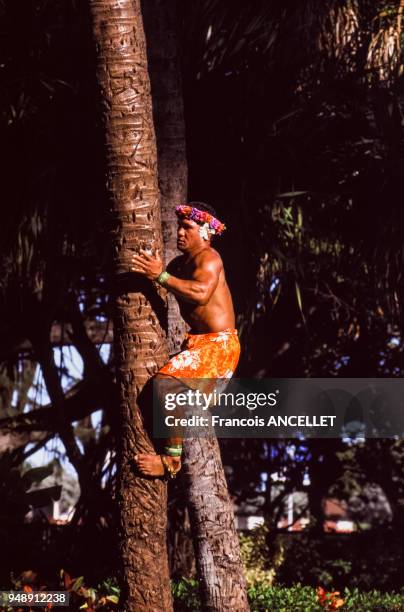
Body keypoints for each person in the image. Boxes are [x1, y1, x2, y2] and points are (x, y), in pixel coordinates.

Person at [131, 202, 240, 478]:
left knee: (165, 386)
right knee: (159, 396)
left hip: (219, 347)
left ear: (205, 233)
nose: (180, 232)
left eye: (187, 228)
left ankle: (171, 462)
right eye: (179, 226)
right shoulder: (180, 264)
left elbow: (201, 292)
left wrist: (160, 275)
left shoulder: (209, 257)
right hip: (199, 345)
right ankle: (167, 446)